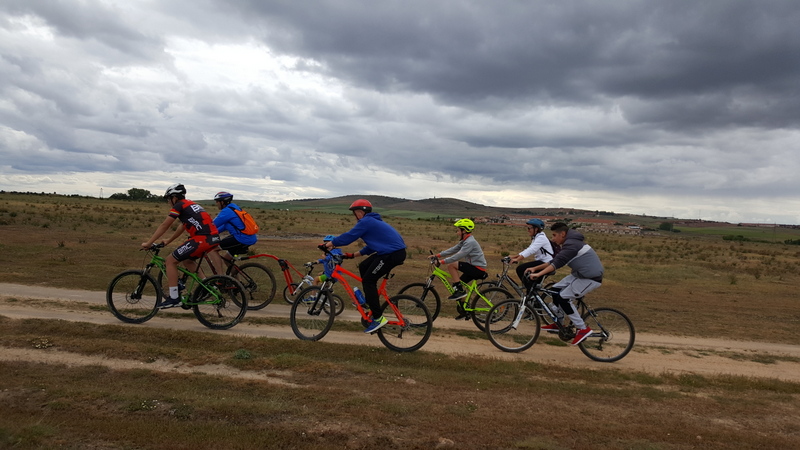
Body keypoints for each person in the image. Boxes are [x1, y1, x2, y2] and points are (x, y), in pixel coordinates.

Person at [324, 199, 407, 334]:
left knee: (369, 280)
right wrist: (353, 255)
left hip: (391, 254)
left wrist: (330, 244)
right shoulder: (373, 222)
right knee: (364, 266)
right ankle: (369, 300)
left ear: (360, 212)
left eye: (355, 213)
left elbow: (349, 236)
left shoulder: (366, 222)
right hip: (390, 252)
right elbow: (372, 246)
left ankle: (378, 318)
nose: (355, 216)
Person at [141, 184, 222, 309]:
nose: (168, 202)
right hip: (212, 238)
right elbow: (183, 226)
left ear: (174, 197)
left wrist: (149, 242)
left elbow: (165, 225)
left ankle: (174, 298)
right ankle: (207, 286)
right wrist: (168, 240)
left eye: (169, 199)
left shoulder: (179, 205)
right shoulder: (190, 205)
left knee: (170, 261)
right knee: (188, 261)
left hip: (202, 239)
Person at [524, 222, 604, 345]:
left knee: (564, 298)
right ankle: (559, 323)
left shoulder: (572, 245)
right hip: (580, 274)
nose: (552, 238)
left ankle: (582, 328)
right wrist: (535, 269)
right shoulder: (569, 243)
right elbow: (555, 260)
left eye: (554, 235)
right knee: (555, 291)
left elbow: (556, 264)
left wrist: (538, 274)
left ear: (563, 234)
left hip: (591, 278)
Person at [431, 218, 488, 305]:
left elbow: (458, 256)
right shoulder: (465, 240)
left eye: (458, 230)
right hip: (473, 267)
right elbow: (454, 249)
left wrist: (441, 262)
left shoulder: (470, 242)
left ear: (464, 231)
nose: (457, 232)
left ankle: (460, 291)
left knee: (451, 265)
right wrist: (437, 255)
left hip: (477, 269)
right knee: (456, 286)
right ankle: (464, 309)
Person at [212, 191, 258, 262]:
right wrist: (214, 232)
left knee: (213, 249)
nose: (216, 204)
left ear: (222, 202)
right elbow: (224, 226)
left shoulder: (227, 211)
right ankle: (235, 273)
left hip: (242, 238)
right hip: (250, 238)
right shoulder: (234, 208)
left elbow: (212, 225)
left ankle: (219, 273)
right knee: (227, 259)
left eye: (217, 201)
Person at [509, 218, 553, 291]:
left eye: (529, 228)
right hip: (541, 261)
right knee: (529, 279)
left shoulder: (541, 238)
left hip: (546, 263)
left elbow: (531, 250)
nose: (528, 230)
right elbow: (528, 249)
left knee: (521, 269)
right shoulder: (536, 237)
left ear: (536, 229)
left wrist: (517, 259)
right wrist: (513, 257)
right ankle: (531, 292)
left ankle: (531, 293)